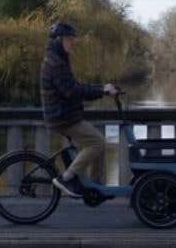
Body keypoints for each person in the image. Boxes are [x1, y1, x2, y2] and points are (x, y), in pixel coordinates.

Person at [40, 21, 118, 198]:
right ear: (58, 40)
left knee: (97, 144)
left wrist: (101, 87)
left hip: (66, 114)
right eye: (69, 39)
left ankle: (95, 186)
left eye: (73, 39)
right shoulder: (56, 63)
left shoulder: (58, 58)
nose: (73, 42)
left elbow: (75, 85)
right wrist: (102, 91)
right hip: (63, 117)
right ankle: (66, 178)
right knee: (97, 142)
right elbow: (72, 91)